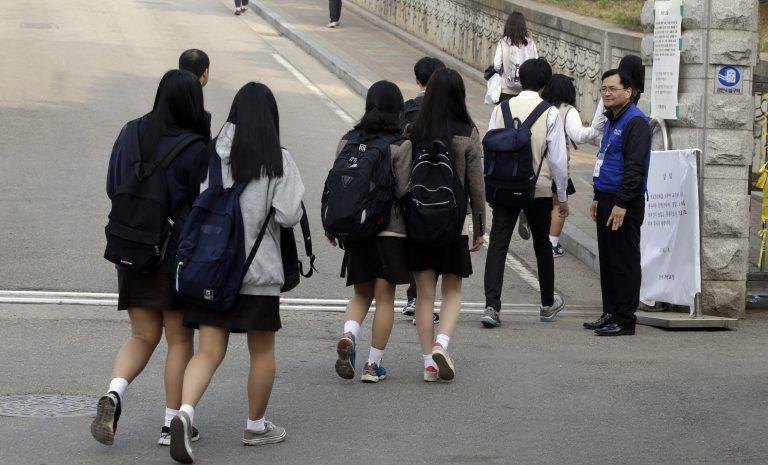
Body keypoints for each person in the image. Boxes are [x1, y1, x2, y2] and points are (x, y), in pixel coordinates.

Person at [168, 83, 304, 464]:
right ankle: (255, 426)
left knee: (209, 351)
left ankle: (184, 413)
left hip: (211, 272)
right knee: (261, 351)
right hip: (257, 274)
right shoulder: (277, 159)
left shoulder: (211, 153)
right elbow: (289, 214)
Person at [92, 69, 210, 447]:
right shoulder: (196, 148)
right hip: (173, 255)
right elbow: (200, 207)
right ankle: (170, 424)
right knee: (178, 342)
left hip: (131, 246)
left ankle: (114, 393)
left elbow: (114, 186)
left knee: (142, 335)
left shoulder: (130, 131)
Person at [329, 81, 412, 383]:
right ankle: (372, 365)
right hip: (390, 230)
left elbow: (340, 187)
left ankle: (349, 336)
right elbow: (403, 190)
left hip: (356, 229)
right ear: (397, 109)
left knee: (361, 293)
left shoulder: (348, 140)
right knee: (385, 298)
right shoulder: (401, 145)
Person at [407, 68, 486, 382]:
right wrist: (480, 227)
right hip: (453, 225)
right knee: (452, 292)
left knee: (425, 296)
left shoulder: (414, 130)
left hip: (419, 223)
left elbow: (402, 181)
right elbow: (477, 186)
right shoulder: (468, 130)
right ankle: (442, 343)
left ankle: (428, 363)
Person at [481, 58, 570, 329]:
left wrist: (489, 182)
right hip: (537, 188)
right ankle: (546, 304)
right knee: (542, 244)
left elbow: (489, 145)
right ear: (545, 84)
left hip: (504, 186)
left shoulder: (502, 108)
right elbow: (558, 160)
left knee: (498, 244)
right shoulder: (550, 113)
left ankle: (491, 306)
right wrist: (562, 197)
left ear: (520, 79)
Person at [586, 69, 651, 336]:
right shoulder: (612, 119)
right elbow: (606, 159)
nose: (607, 93)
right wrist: (597, 196)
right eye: (604, 89)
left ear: (629, 91)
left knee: (624, 261)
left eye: (613, 88)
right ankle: (610, 311)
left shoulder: (635, 122)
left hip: (624, 203)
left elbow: (634, 168)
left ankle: (625, 319)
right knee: (609, 260)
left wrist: (622, 203)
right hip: (606, 198)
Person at [400, 56, 445, 325]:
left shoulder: (405, 110)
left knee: (413, 242)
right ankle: (420, 299)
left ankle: (413, 297)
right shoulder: (448, 113)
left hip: (409, 186)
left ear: (417, 79)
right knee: (433, 245)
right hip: (438, 187)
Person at [542, 74, 601, 257]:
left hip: (537, 165)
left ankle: (536, 229)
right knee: (560, 205)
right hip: (556, 166)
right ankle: (551, 244)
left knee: (544, 203)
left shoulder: (542, 106)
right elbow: (578, 135)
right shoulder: (567, 110)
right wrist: (597, 128)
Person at [493, 11, 538, 103]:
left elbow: (496, 65)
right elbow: (536, 64)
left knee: (506, 116)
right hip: (526, 91)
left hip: (507, 89)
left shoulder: (503, 42)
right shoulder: (530, 43)